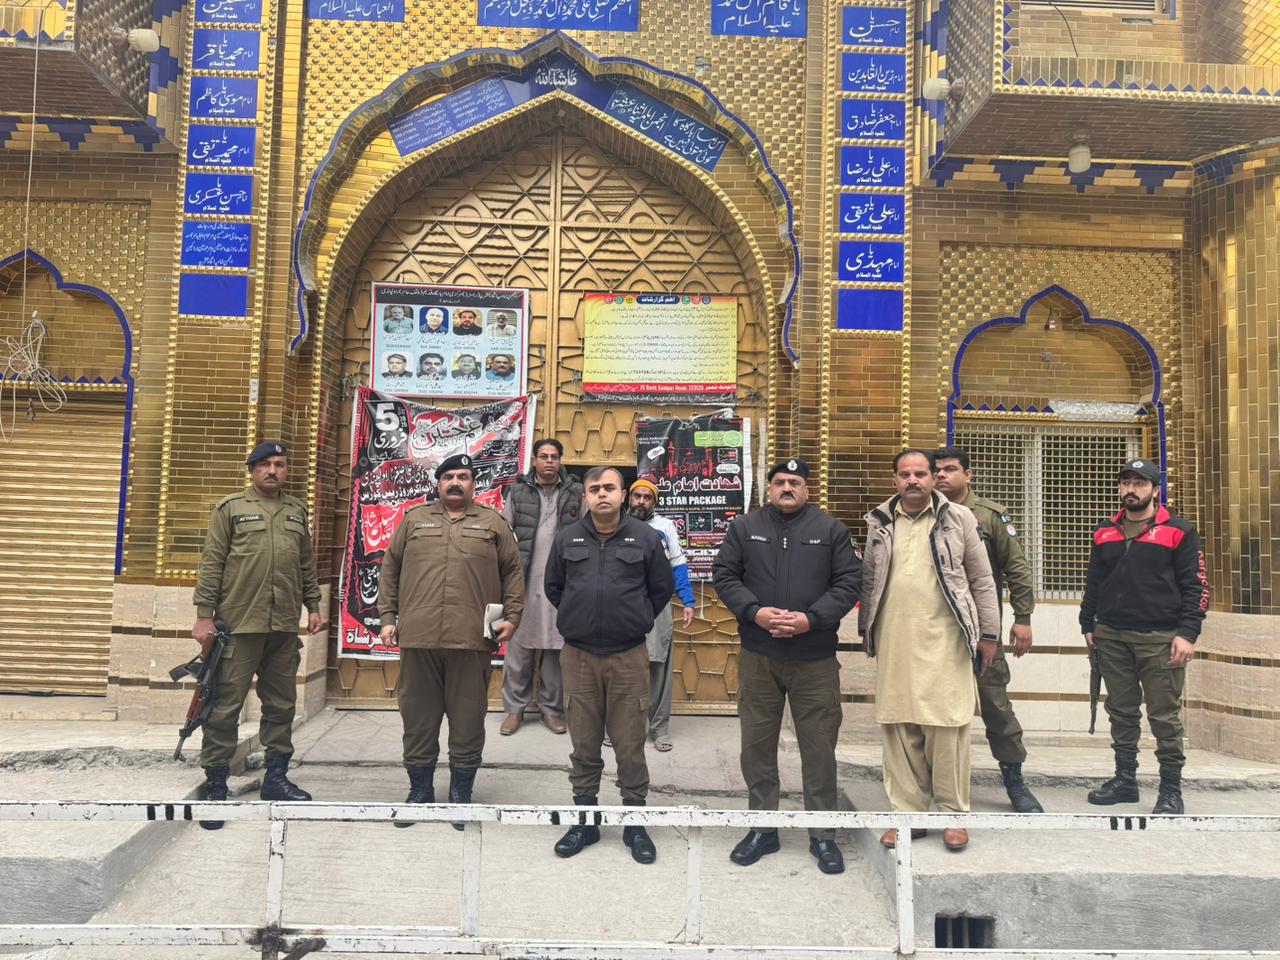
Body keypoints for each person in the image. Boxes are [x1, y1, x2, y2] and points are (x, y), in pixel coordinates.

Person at [712, 458, 860, 875]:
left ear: (807, 489)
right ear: (769, 488)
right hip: (759, 655)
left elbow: (849, 582)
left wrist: (811, 619)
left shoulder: (831, 531)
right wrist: (754, 612)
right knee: (757, 747)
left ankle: (822, 834)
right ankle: (763, 828)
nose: (787, 488)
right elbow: (725, 575)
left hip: (814, 659)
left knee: (819, 749)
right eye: (779, 482)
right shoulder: (745, 527)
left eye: (795, 482)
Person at [859, 449, 1000, 852]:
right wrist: (867, 630)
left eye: (920, 473)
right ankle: (908, 815)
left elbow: (982, 578)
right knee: (899, 725)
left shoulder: (959, 518)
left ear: (932, 478)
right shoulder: (880, 521)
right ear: (895, 480)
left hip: (946, 639)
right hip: (896, 639)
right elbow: (870, 578)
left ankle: (953, 816)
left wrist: (989, 633)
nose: (913, 480)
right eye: (905, 474)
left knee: (947, 725)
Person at [377, 454, 525, 828]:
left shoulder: (493, 523)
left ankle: (461, 795)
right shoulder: (414, 520)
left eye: (463, 476)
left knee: (468, 720)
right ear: (438, 483)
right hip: (419, 638)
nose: (455, 482)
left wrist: (512, 617)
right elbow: (390, 569)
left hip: (471, 639)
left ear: (474, 484)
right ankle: (420, 792)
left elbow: (513, 572)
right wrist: (388, 618)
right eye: (448, 477)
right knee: (418, 719)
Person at [191, 441, 324, 830]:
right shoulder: (230, 509)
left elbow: (305, 564)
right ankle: (216, 784)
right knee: (225, 705)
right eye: (265, 464)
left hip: (283, 624)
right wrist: (203, 617)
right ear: (251, 471)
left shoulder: (296, 511)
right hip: (238, 624)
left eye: (280, 464)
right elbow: (212, 563)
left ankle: (276, 778)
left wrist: (314, 606)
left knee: (281, 704)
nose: (272, 471)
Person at [544, 466, 674, 864]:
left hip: (628, 657)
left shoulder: (646, 537)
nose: (602, 494)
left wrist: (636, 618)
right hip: (579, 657)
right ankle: (586, 821)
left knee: (630, 745)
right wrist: (579, 616)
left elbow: (661, 588)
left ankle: (634, 823)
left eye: (610, 488)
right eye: (595, 488)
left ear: (622, 494)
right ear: (585, 495)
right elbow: (554, 587)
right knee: (584, 745)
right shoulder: (568, 538)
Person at [1080, 458, 1208, 815]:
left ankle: (1170, 790)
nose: (1131, 490)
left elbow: (1196, 586)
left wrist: (1187, 633)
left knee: (1164, 717)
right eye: (1126, 483)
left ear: (1155, 489)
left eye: (1139, 483)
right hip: (1111, 636)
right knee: (1121, 712)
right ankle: (1125, 781)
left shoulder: (1179, 531)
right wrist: (1087, 623)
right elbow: (1094, 582)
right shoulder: (1104, 531)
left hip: (1160, 639)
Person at [933, 446, 1043, 814]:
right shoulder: (923, 513)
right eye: (937, 470)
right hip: (935, 632)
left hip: (981, 634)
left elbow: (1017, 569)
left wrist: (1023, 618)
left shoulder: (990, 516)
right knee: (933, 711)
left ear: (968, 475)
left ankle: (1015, 781)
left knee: (995, 706)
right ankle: (934, 785)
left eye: (950, 469)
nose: (941, 475)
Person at [499, 438, 583, 736]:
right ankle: (514, 710)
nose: (549, 461)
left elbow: (587, 531)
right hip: (523, 581)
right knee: (518, 650)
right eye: (544, 456)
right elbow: (504, 534)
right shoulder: (517, 492)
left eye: (554, 456)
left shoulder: (575, 492)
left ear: (560, 460)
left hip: (562, 584)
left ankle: (551, 710)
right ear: (534, 460)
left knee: (556, 650)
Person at [627, 478, 696, 751]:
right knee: (623, 666)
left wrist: (688, 600)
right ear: (629, 498)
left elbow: (678, 564)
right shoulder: (617, 524)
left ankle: (659, 728)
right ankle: (624, 727)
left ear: (654, 502)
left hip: (657, 603)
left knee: (658, 665)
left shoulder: (665, 527)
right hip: (622, 605)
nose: (641, 502)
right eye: (637, 496)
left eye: (647, 498)